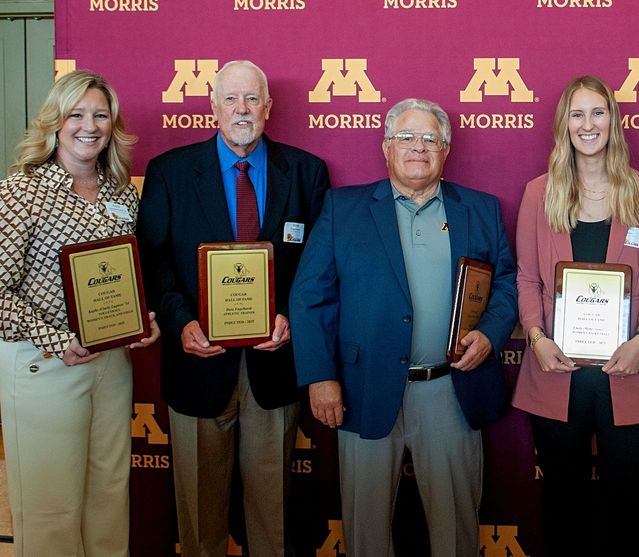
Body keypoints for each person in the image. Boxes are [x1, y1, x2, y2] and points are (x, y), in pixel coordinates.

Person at [289, 98, 517, 557]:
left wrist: (491, 334)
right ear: (386, 147)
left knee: (456, 532)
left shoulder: (481, 209)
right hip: (362, 387)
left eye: (430, 138)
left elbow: (508, 283)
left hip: (450, 389)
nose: (419, 147)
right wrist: (319, 375)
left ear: (446, 149)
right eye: (407, 137)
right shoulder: (342, 209)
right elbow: (309, 297)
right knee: (366, 531)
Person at [136, 60, 329, 557]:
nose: (241, 110)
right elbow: (154, 261)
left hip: (274, 364)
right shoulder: (170, 172)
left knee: (273, 515)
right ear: (212, 107)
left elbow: (317, 265)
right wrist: (180, 323)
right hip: (197, 362)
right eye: (231, 99)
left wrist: (287, 312)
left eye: (252, 100)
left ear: (269, 106)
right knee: (200, 519)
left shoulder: (306, 173)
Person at [0, 70, 160, 557]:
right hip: (44, 364)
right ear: (55, 122)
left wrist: (142, 318)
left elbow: (125, 276)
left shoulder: (120, 193)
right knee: (52, 508)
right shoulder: (22, 192)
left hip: (110, 364)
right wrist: (54, 339)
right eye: (76, 114)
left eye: (100, 115)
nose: (89, 125)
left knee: (109, 496)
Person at [512, 75, 639, 556]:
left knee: (632, 508)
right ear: (564, 125)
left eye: (597, 112)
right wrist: (537, 338)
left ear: (613, 121)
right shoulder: (539, 193)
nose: (588, 124)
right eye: (577, 114)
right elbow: (526, 280)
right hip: (556, 373)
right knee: (563, 509)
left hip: (630, 374)